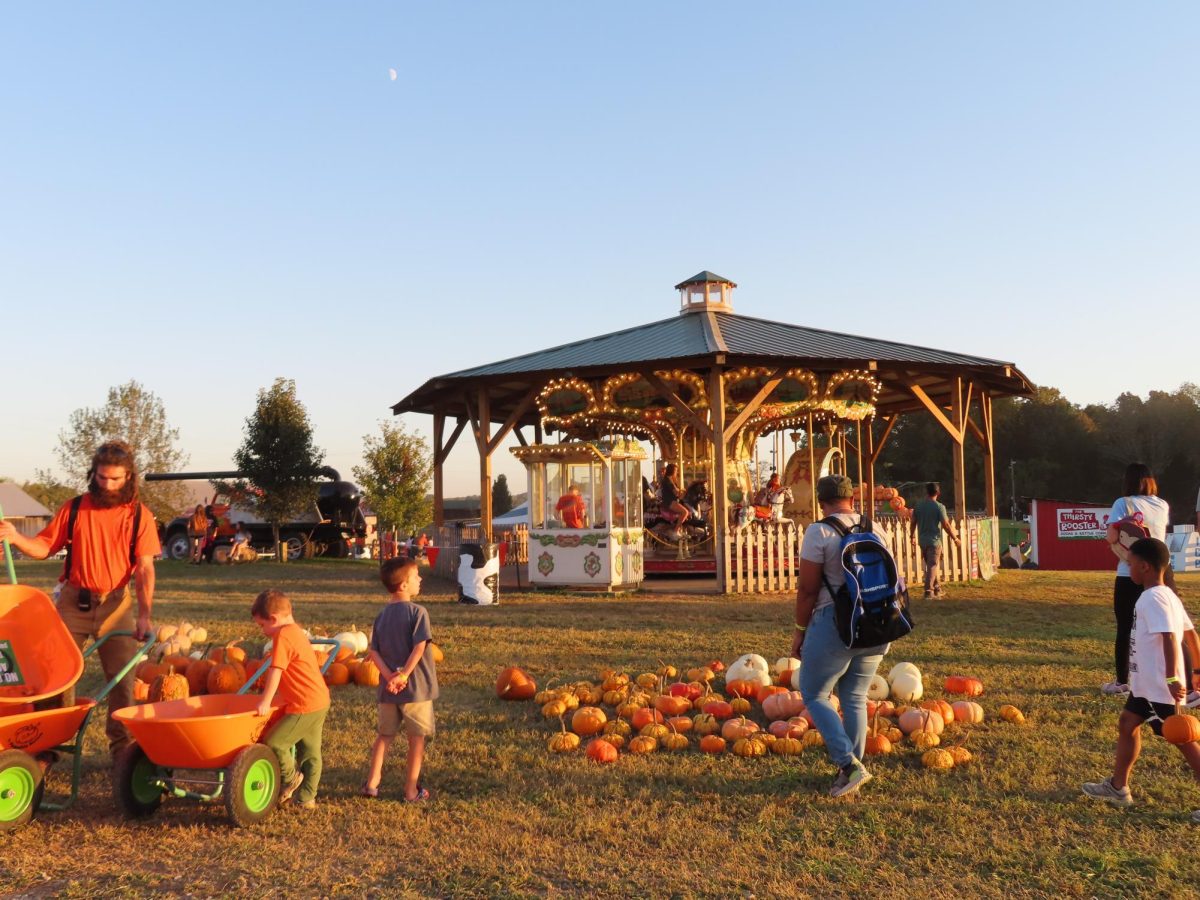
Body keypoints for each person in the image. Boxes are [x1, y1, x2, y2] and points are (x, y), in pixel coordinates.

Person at [0, 441, 158, 756]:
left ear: (129, 477)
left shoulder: (140, 516)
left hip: (116, 604)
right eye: (102, 478)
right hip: (74, 601)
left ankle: (121, 748)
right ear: (93, 474)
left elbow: (144, 570)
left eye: (116, 479)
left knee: (123, 676)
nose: (109, 485)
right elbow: (44, 547)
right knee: (52, 672)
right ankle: (45, 743)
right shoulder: (74, 509)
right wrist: (16, 538)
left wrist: (144, 615)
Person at [1082, 538, 1200, 822]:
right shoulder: (1168, 594)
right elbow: (1191, 635)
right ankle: (1118, 787)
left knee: (1184, 739)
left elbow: (1171, 638)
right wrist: (1197, 670)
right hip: (1146, 686)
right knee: (1127, 723)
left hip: (1161, 689)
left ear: (1145, 567)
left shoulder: (1152, 598)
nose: (1128, 567)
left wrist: (1174, 677)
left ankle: (1118, 786)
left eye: (1130, 563)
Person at [792, 474, 888, 798]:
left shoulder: (818, 532)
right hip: (877, 624)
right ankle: (852, 771)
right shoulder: (876, 528)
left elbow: (807, 591)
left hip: (834, 623)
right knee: (855, 697)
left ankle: (848, 766)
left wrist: (800, 633)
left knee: (814, 694)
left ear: (821, 501)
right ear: (852, 498)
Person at [361, 559, 438, 802]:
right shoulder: (418, 613)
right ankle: (411, 791)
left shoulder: (381, 616)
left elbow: (374, 651)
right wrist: (403, 674)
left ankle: (372, 784)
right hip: (416, 691)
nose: (420, 579)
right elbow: (419, 647)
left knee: (384, 736)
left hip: (388, 691)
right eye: (416, 576)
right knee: (416, 739)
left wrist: (389, 677)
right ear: (404, 585)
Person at [251, 588, 330, 810]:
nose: (262, 630)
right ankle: (306, 799)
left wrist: (265, 701)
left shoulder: (283, 636)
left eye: (262, 625)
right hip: (319, 700)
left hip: (304, 705)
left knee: (275, 741)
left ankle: (290, 778)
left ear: (274, 619)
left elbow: (276, 670)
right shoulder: (295, 632)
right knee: (311, 751)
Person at [1101, 463, 1170, 696]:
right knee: (1163, 628)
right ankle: (1170, 679)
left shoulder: (1123, 503)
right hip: (1161, 572)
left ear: (1128, 481)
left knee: (1125, 627)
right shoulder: (1162, 504)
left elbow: (1111, 535)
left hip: (1129, 572)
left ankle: (1122, 682)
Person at [912, 482, 960, 599]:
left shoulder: (918, 506)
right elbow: (946, 525)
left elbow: (913, 522)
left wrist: (911, 536)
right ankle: (928, 591)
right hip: (934, 541)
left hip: (922, 541)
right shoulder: (939, 507)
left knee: (930, 566)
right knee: (933, 565)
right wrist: (955, 538)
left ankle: (937, 588)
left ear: (927, 492)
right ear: (938, 493)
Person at [659, 464, 689, 538]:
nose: (676, 472)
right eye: (675, 470)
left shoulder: (671, 480)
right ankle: (675, 531)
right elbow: (675, 492)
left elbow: (679, 495)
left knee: (687, 513)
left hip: (672, 500)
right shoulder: (668, 480)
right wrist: (682, 490)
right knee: (685, 512)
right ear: (671, 471)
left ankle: (680, 530)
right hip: (669, 501)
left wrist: (682, 492)